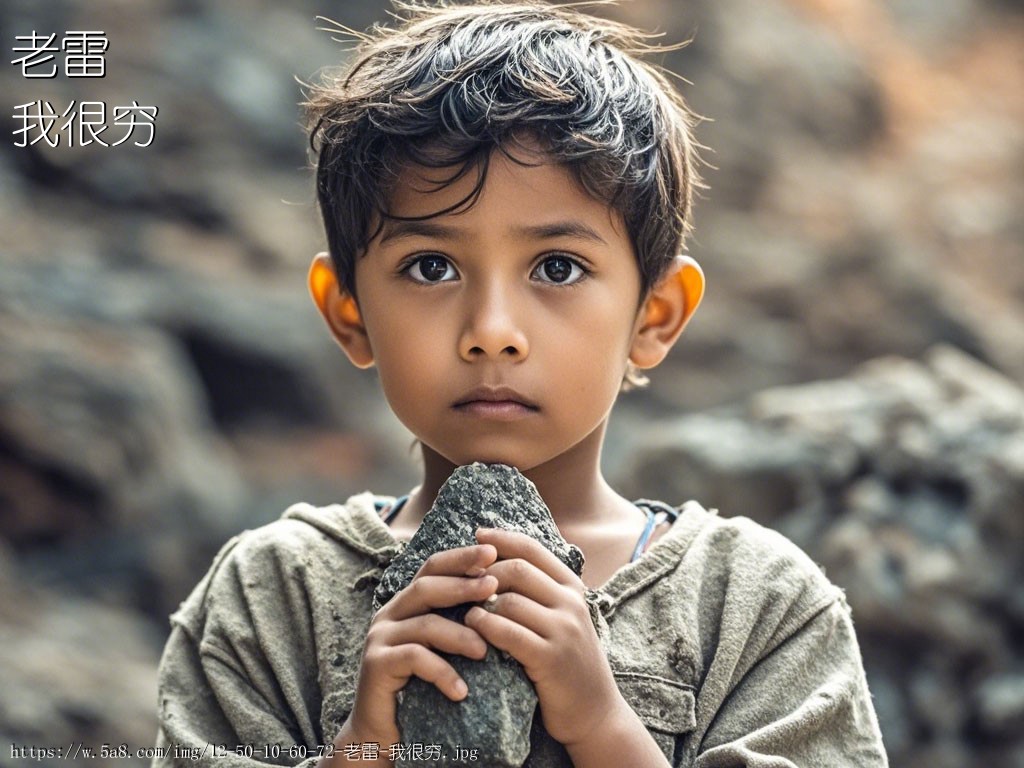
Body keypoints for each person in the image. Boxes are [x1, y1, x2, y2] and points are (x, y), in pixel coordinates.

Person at [153, 2, 888, 766]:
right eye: (431, 267)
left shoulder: (753, 605)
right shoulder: (272, 598)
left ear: (656, 314)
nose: (492, 328)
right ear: (349, 313)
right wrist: (362, 751)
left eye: (557, 268)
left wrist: (603, 725)